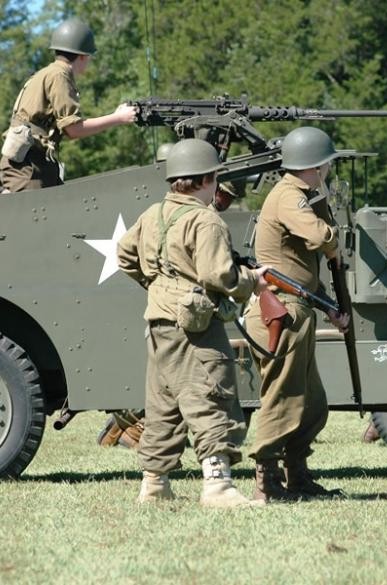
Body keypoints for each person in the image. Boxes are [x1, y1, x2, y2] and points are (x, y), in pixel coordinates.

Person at [117, 138, 267, 507]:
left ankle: (154, 485)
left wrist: (156, 285)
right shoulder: (205, 219)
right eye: (215, 177)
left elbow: (124, 254)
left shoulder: (153, 214)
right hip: (195, 325)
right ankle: (218, 486)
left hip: (159, 319)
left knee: (163, 402)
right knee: (209, 394)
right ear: (206, 179)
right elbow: (219, 275)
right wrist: (253, 280)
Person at [244, 126, 350, 503]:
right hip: (281, 311)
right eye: (327, 165)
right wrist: (333, 235)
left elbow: (301, 268)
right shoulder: (290, 196)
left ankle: (297, 476)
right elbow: (322, 238)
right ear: (317, 166)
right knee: (284, 398)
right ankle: (266, 482)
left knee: (312, 403)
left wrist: (331, 308)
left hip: (297, 306)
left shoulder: (300, 194)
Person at [0, 18, 137, 192]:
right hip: (29, 168)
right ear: (82, 56)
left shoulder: (48, 73)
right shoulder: (59, 76)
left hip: (34, 163)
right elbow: (74, 130)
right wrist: (118, 118)